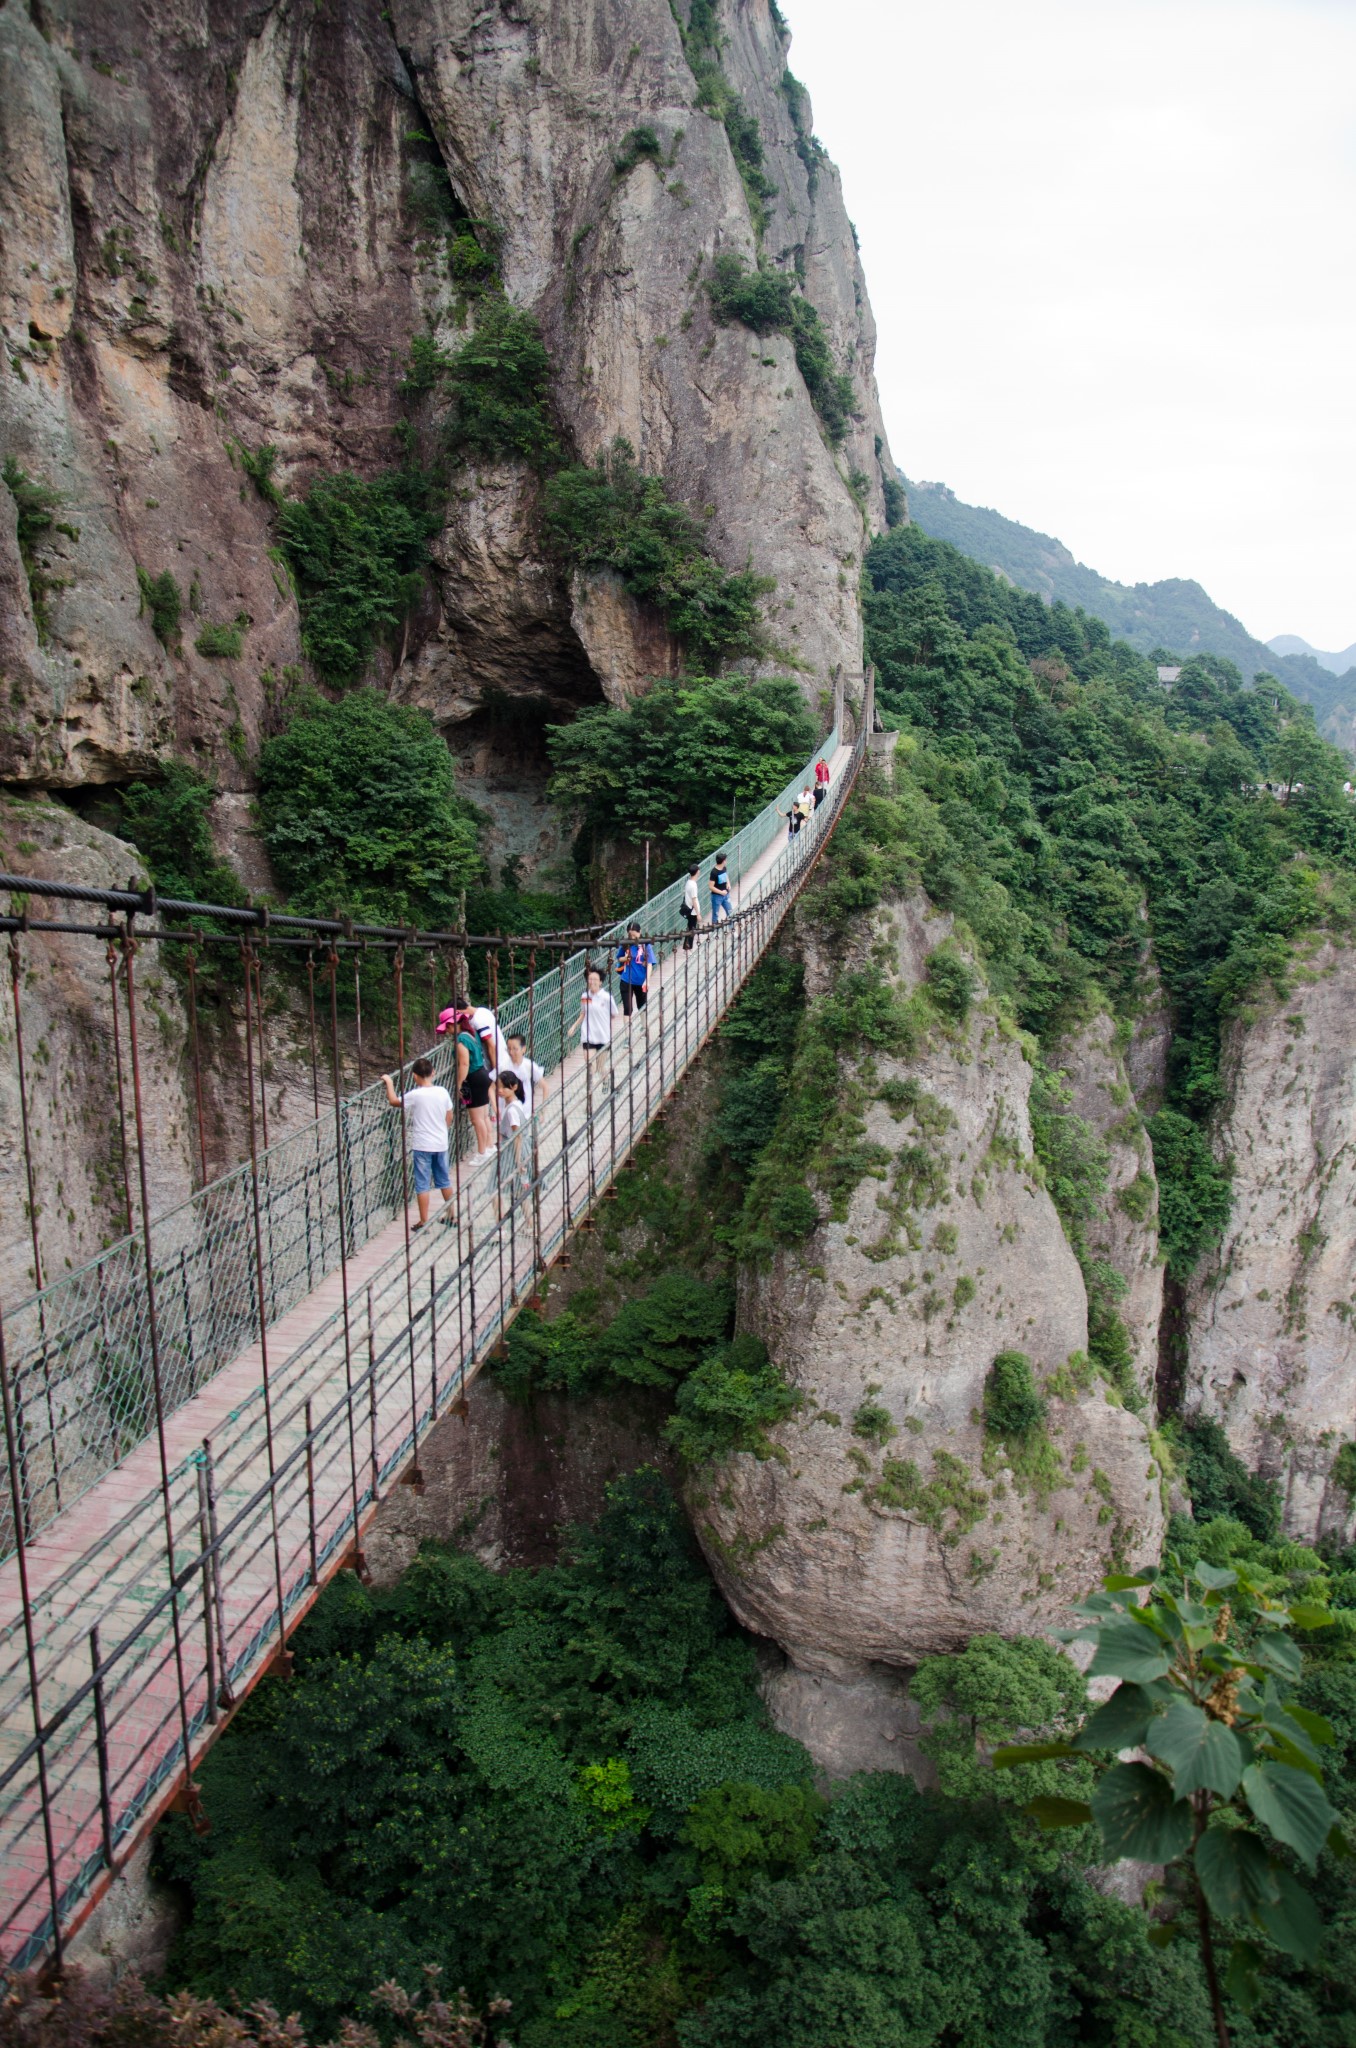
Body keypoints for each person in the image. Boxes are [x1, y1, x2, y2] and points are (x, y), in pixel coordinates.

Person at [381, 1057, 454, 1229]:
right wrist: (443, 1130)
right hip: (441, 1143)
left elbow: (394, 1101)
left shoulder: (416, 1095)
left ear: (414, 1076)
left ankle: (424, 1220)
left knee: (422, 1183)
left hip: (422, 1145)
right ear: (433, 1072)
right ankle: (452, 1215)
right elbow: (449, 1115)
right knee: (444, 1181)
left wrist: (389, 1082)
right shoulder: (443, 1092)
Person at [453, 1011, 494, 1154]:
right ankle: (489, 1146)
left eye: (447, 1027)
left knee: (477, 1120)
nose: (446, 1031)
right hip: (483, 1074)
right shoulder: (471, 1033)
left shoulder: (461, 1041)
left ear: (454, 1024)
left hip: (474, 1079)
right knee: (484, 1116)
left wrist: (460, 1084)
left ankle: (482, 1152)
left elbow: (464, 1064)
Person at [493, 1070, 530, 1206]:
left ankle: (501, 1224)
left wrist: (519, 1161)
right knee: (520, 1190)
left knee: (495, 1189)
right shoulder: (516, 1104)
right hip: (516, 1150)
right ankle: (529, 1223)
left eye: (504, 1087)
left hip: (512, 1153)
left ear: (514, 1087)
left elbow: (517, 1136)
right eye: (498, 1087)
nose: (500, 1090)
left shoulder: (512, 1111)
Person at [578, 963, 620, 1056]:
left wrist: (609, 1029)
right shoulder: (585, 996)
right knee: (590, 1066)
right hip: (588, 1035)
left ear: (600, 982)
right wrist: (573, 1027)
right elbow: (583, 1012)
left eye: (595, 979)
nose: (592, 982)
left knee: (600, 1069)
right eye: (590, 979)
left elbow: (614, 1014)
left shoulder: (606, 997)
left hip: (603, 1035)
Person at [616, 922, 657, 1013]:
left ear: (640, 932)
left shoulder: (645, 944)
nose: (633, 938)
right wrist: (626, 958)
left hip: (641, 981)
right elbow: (619, 958)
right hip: (626, 979)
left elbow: (650, 964)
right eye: (630, 935)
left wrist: (647, 981)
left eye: (635, 935)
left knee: (642, 1007)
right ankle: (627, 1027)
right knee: (627, 1008)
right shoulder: (625, 944)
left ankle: (644, 1026)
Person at [505, 1033, 548, 1115]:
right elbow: (491, 1089)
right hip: (508, 1113)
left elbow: (545, 1086)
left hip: (526, 1113)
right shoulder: (504, 1066)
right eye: (509, 1049)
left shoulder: (529, 1065)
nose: (511, 1052)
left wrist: (543, 1111)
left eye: (515, 1049)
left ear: (523, 1049)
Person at [469, 1002, 511, 1077]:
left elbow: (491, 1046)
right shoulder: (483, 1011)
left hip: (498, 1064)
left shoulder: (478, 1021)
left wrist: (495, 1072)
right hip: (504, 1057)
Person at [681, 863, 701, 950]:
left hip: (689, 909)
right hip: (692, 911)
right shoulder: (693, 885)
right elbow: (694, 900)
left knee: (690, 928)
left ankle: (687, 947)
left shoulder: (688, 882)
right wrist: (698, 913)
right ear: (697, 872)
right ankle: (688, 948)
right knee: (692, 930)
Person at [709, 853, 731, 924]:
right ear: (723, 861)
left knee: (730, 911)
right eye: (725, 860)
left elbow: (726, 875)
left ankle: (732, 929)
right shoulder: (714, 872)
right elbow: (711, 887)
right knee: (715, 914)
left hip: (725, 895)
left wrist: (728, 883)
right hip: (717, 896)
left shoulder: (724, 868)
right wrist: (721, 892)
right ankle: (714, 931)